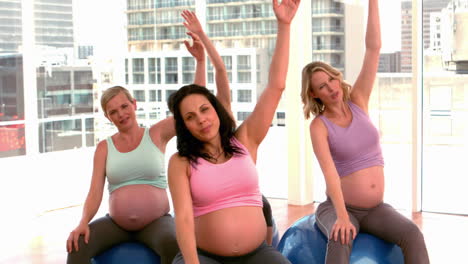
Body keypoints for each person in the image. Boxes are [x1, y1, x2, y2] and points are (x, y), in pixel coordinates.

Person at [65, 24, 228, 264]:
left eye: (124, 106)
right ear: (108, 117)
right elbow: (95, 192)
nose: (120, 114)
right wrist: (82, 223)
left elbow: (191, 106)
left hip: (157, 222)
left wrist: (200, 63)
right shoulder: (104, 147)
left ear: (134, 105)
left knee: (175, 245)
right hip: (116, 223)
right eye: (113, 112)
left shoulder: (156, 133)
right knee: (77, 246)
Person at [167, 1, 300, 263]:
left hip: (258, 254)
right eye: (190, 117)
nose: (202, 120)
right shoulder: (180, 162)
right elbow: (182, 218)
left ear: (216, 110)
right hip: (205, 256)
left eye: (205, 109)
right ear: (184, 126)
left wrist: (284, 26)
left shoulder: (245, 140)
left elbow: (276, 86)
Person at [300, 0, 429, 263]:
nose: (332, 87)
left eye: (332, 79)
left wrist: (373, 2)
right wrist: (343, 216)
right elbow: (330, 174)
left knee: (412, 234)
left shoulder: (358, 100)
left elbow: (373, 49)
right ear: (314, 94)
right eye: (322, 86)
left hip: (375, 208)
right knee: (341, 237)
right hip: (340, 207)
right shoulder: (319, 126)